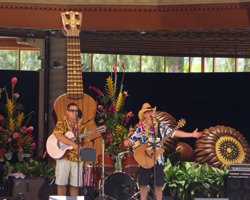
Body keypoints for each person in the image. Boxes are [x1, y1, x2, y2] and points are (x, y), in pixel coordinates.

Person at [124, 102, 202, 200]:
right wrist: (127, 142)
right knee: (143, 184)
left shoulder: (160, 126)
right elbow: (131, 140)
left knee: (159, 184)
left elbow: (174, 133)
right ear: (144, 115)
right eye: (147, 112)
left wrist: (191, 135)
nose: (150, 113)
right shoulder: (140, 129)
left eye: (151, 111)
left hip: (158, 158)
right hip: (144, 158)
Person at [53, 102, 89, 196]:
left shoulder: (81, 125)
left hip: (77, 158)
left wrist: (81, 148)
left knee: (75, 185)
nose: (74, 113)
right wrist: (73, 144)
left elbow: (86, 140)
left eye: (76, 111)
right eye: (72, 111)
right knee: (61, 184)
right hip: (63, 156)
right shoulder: (61, 122)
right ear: (67, 112)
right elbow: (58, 135)